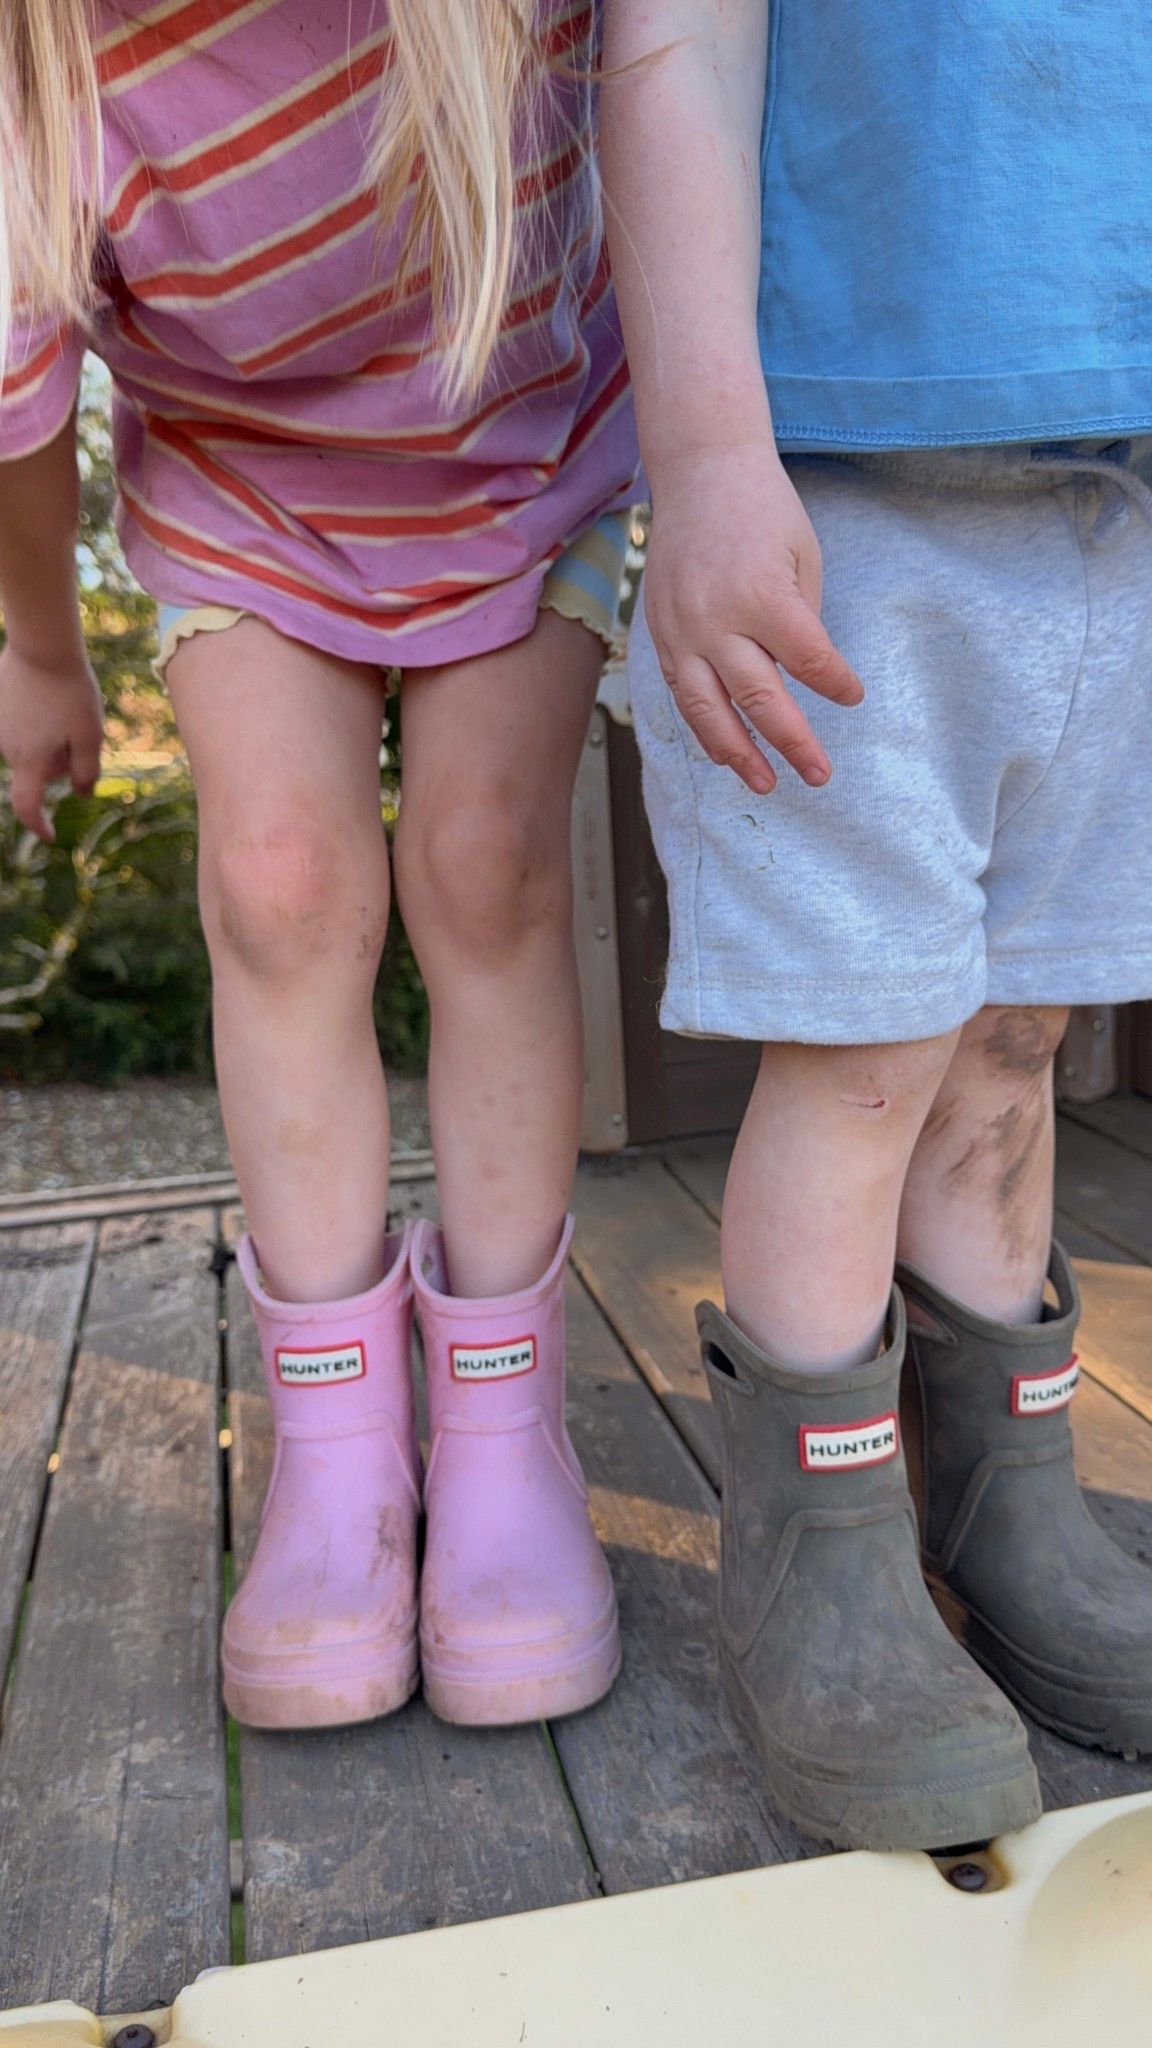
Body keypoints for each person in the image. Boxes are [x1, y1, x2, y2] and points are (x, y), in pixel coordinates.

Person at [0, 0, 637, 1733]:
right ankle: (337, 1469)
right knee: (280, 885)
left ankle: (505, 1446)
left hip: (524, 459)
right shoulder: (47, 65)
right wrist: (44, 655)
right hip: (249, 494)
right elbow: (19, 409)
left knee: (486, 860)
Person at [601, 0, 1152, 1848]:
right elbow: (675, 43)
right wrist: (701, 455)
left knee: (1019, 1035)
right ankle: (816, 1570)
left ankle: (1010, 1510)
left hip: (1123, 491)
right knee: (862, 1046)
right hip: (837, 484)